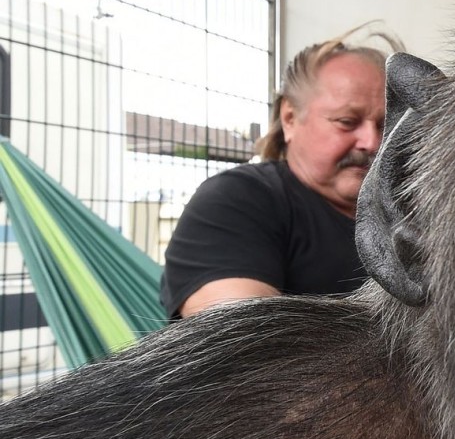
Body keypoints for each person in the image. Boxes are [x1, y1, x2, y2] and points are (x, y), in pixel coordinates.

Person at [159, 25, 403, 319]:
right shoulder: (236, 200)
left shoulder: (410, 214)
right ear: (289, 118)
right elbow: (245, 346)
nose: (372, 142)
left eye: (386, 125)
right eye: (347, 121)